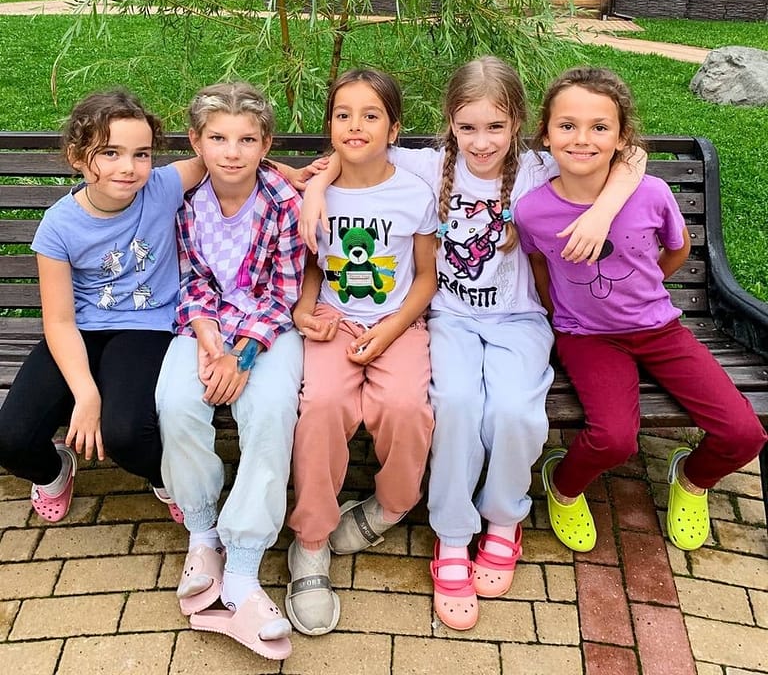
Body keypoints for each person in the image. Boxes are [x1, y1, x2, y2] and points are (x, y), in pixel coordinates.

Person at [301, 56, 645, 631]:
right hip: (451, 319)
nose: (481, 142)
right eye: (467, 127)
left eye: (495, 127)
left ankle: (505, 520)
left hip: (519, 320)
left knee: (513, 411)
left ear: (519, 124)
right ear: (450, 125)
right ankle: (454, 534)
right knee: (456, 404)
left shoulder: (538, 166)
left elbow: (631, 158)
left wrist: (603, 211)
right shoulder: (429, 163)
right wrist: (317, 185)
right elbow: (358, 147)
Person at [515, 66, 768, 554]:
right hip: (587, 338)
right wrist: (559, 317)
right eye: (567, 125)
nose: (582, 139)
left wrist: (644, 289)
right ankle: (563, 486)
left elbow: (677, 249)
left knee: (744, 434)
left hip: (659, 330)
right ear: (545, 134)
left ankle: (691, 478)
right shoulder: (533, 211)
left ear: (621, 137)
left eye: (599, 127)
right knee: (614, 440)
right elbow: (539, 266)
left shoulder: (651, 193)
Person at [0, 89, 207, 524]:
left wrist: (303, 176)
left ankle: (169, 477)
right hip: (79, 329)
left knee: (127, 435)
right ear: (77, 157)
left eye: (141, 153)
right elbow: (59, 321)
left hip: (146, 328)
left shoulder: (162, 187)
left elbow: (221, 159)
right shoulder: (58, 226)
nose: (128, 167)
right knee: (11, 439)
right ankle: (56, 470)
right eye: (110, 153)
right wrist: (86, 393)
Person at [154, 81, 305, 661]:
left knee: (269, 410)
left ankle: (243, 563)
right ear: (197, 142)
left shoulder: (282, 203)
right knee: (176, 401)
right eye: (218, 138)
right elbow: (192, 279)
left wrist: (241, 356)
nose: (232, 152)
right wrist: (209, 339)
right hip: (205, 327)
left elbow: (284, 292)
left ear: (266, 144)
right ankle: (202, 532)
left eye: (246, 139)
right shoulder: (187, 203)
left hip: (269, 330)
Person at [286, 67, 437, 637]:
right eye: (343, 114)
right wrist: (304, 310)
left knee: (405, 407)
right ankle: (311, 540)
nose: (355, 125)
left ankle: (390, 506)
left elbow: (426, 277)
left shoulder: (413, 194)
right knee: (321, 405)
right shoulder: (314, 192)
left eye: (371, 115)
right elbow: (311, 265)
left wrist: (393, 329)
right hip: (332, 320)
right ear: (329, 125)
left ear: (393, 129)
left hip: (397, 323)